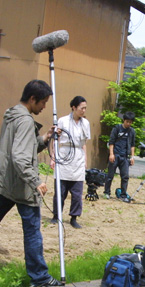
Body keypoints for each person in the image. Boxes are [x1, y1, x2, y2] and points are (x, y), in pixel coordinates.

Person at [0, 80, 64, 287]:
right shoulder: (25, 121)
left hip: (5, 181)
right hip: (22, 185)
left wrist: (45, 138)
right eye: (43, 102)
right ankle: (40, 277)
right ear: (32, 99)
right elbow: (20, 156)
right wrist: (35, 181)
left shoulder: (12, 114)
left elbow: (23, 147)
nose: (44, 106)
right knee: (33, 229)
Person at [50, 96, 90, 229]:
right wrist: (53, 158)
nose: (83, 110)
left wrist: (85, 159)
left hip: (78, 157)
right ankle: (56, 215)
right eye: (81, 108)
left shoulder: (86, 123)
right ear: (74, 107)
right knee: (60, 191)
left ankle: (74, 217)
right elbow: (55, 141)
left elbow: (84, 144)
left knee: (77, 192)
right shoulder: (62, 121)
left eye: (85, 108)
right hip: (64, 155)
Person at [104, 112, 136, 202]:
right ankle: (106, 192)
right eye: (127, 122)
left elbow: (133, 145)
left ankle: (123, 194)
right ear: (124, 120)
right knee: (110, 175)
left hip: (125, 156)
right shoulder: (117, 128)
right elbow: (111, 142)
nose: (128, 124)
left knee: (125, 176)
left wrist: (132, 157)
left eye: (130, 122)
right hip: (115, 154)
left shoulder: (132, 131)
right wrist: (111, 154)